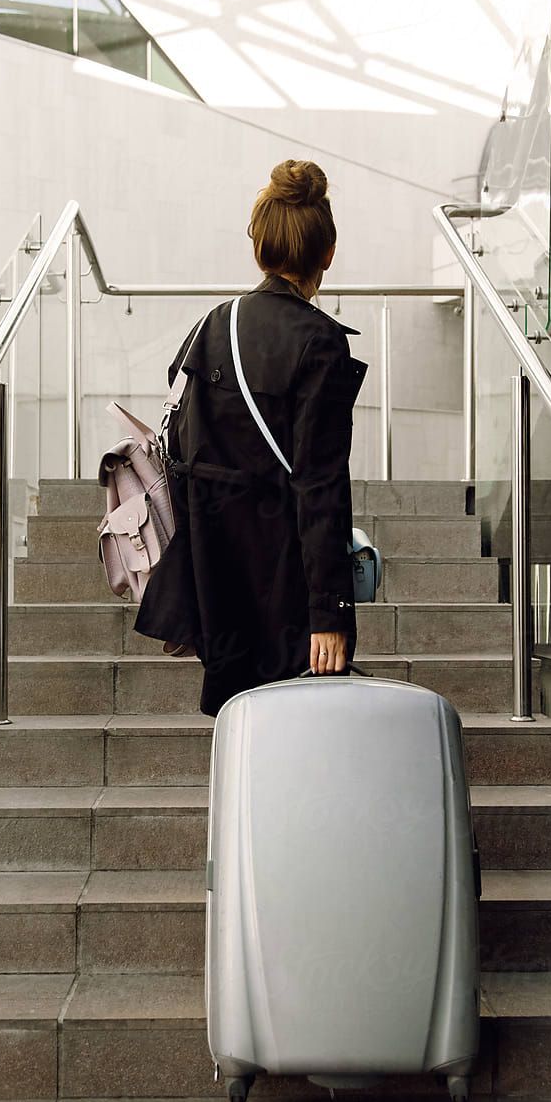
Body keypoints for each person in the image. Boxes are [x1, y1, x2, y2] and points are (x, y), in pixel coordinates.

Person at [134, 159, 368, 717]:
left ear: (259, 248)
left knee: (239, 732)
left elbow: (185, 448)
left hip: (215, 580)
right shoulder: (321, 344)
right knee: (298, 736)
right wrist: (329, 613)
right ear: (327, 254)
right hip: (287, 586)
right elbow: (320, 487)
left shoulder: (213, 325)